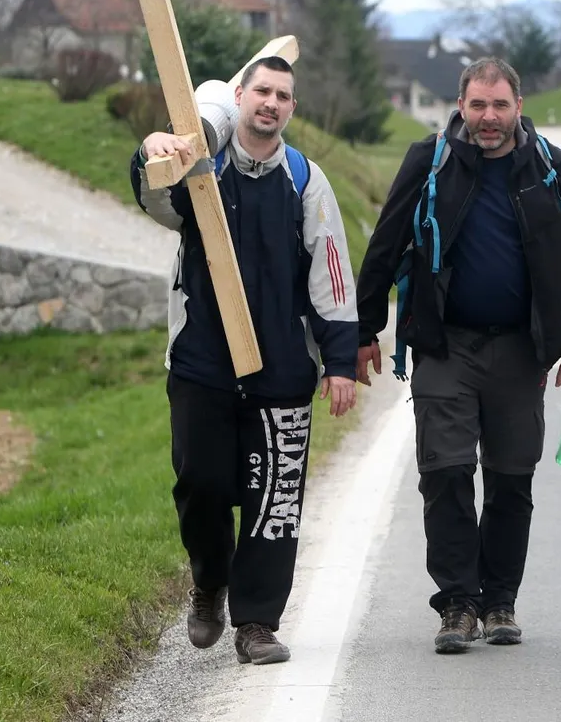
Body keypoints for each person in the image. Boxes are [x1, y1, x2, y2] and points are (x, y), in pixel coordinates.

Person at [355, 57, 561, 654]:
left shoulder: (551, 168)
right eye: (478, 105)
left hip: (522, 351)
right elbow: (385, 245)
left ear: (519, 106)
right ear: (461, 106)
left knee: (512, 480)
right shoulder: (430, 160)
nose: (489, 118)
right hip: (445, 345)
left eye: (500, 106)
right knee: (445, 473)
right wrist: (364, 330)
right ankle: (458, 604)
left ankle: (500, 601)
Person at [129, 55, 359, 666]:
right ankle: (210, 582)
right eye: (263, 91)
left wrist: (338, 361)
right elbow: (158, 202)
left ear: (291, 107)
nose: (272, 103)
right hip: (201, 361)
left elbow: (331, 274)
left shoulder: (306, 180)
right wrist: (151, 151)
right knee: (200, 485)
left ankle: (257, 622)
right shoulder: (202, 170)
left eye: (283, 95)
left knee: (275, 499)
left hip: (281, 370)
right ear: (239, 97)